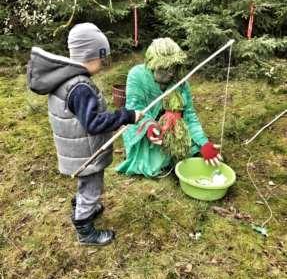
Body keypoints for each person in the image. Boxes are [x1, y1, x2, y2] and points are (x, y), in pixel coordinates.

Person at [27, 23, 142, 246]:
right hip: (85, 153)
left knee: (88, 184)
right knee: (92, 187)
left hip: (77, 149)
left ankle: (82, 203)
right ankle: (85, 229)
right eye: (103, 57)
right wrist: (126, 116)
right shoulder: (80, 87)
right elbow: (94, 123)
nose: (104, 62)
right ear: (93, 55)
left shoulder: (66, 79)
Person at [117, 38, 222, 178]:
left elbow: (189, 115)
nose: (171, 73)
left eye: (174, 67)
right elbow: (134, 108)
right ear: (152, 65)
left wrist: (204, 143)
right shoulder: (137, 75)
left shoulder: (180, 82)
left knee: (193, 150)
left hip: (173, 127)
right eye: (165, 68)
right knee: (152, 162)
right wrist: (149, 126)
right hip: (143, 127)